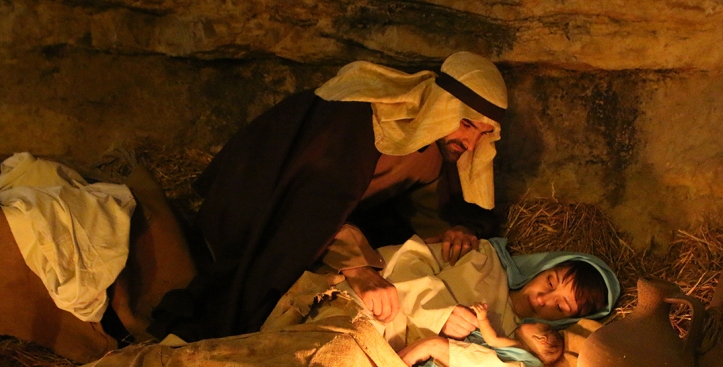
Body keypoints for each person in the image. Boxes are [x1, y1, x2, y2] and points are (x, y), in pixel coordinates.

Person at [149, 52, 509, 341]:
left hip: (328, 218)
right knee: (242, 304)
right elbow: (308, 207)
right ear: (442, 108)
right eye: (466, 124)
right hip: (257, 206)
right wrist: (358, 268)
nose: (471, 143)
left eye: (483, 133)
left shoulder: (439, 146)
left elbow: (431, 207)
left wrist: (458, 227)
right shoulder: (352, 121)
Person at [383, 241, 616, 367]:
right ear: (544, 266)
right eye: (550, 281)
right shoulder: (484, 259)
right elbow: (409, 258)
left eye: (560, 307)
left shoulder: (521, 349)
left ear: (567, 320)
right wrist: (438, 312)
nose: (542, 299)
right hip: (380, 315)